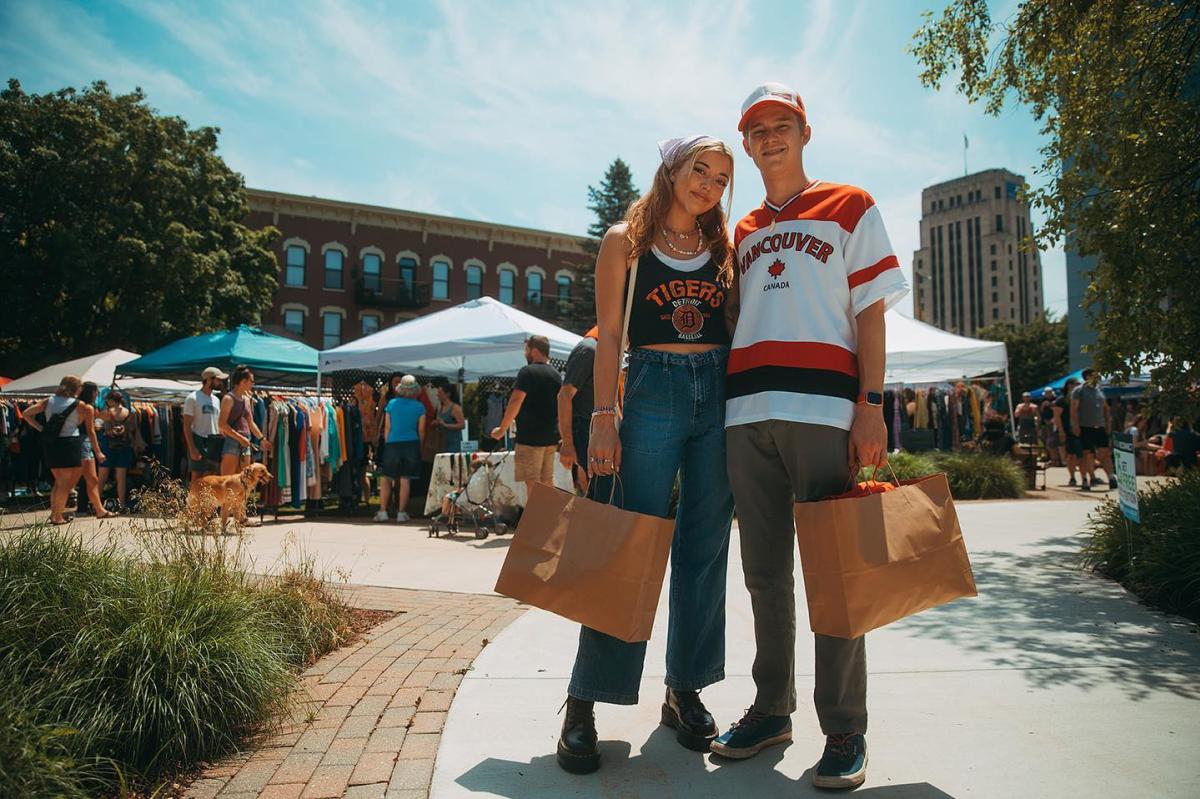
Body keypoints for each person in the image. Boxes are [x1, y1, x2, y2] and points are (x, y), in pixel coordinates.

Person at [712, 83, 909, 791]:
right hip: (747, 413)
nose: (769, 137)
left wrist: (872, 404)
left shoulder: (850, 203)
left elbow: (871, 315)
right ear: (745, 142)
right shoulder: (742, 229)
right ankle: (772, 708)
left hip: (826, 409)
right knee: (764, 573)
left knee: (834, 573)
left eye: (781, 125)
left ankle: (845, 727)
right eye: (756, 128)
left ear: (805, 130)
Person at [558, 134, 736, 775]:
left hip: (717, 395)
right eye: (699, 170)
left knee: (704, 548)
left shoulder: (723, 247)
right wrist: (603, 416)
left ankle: (682, 689)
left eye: (720, 178)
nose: (709, 186)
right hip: (653, 388)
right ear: (672, 169)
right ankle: (584, 700)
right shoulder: (624, 241)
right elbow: (608, 339)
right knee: (626, 543)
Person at [490, 335, 561, 501]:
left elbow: (516, 400)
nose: (525, 354)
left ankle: (535, 524)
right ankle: (547, 522)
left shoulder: (527, 372)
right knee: (547, 481)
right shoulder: (556, 375)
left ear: (534, 350)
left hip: (530, 438)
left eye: (526, 350)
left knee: (533, 483)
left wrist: (502, 429)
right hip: (550, 438)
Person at [21, 375, 86, 525]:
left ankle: (54, 514)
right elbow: (81, 421)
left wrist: (41, 428)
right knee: (65, 483)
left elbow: (26, 414)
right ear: (75, 388)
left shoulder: (49, 400)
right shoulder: (78, 404)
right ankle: (58, 517)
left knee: (59, 481)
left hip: (51, 443)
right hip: (70, 442)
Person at [376, 375, 426, 523]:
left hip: (392, 443)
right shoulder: (419, 407)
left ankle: (383, 511)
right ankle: (401, 512)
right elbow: (421, 430)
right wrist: (420, 446)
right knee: (406, 479)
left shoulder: (391, 404)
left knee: (386, 478)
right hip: (412, 443)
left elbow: (387, 427)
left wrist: (388, 442)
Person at [557, 326, 598, 493]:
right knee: (595, 488)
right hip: (585, 427)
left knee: (598, 489)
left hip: (594, 428)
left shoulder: (601, 350)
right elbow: (564, 396)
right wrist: (567, 443)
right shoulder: (589, 350)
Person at [74, 381, 117, 519]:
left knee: (81, 478)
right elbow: (90, 431)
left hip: (74, 442)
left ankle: (90, 508)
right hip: (84, 443)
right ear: (91, 392)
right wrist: (98, 451)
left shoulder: (76, 405)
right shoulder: (88, 407)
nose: (98, 393)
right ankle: (96, 509)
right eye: (96, 391)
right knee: (90, 478)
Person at [218, 364, 269, 476]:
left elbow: (250, 422)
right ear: (243, 381)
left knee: (243, 483)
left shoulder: (246, 399)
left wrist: (262, 439)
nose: (253, 384)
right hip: (232, 442)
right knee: (227, 482)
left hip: (246, 442)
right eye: (251, 381)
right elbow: (222, 424)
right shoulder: (228, 399)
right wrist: (240, 438)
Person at [1071, 368, 1117, 491]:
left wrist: (1108, 423)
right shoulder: (1079, 390)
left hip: (1099, 426)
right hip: (1085, 427)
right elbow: (1074, 409)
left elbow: (1106, 408)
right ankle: (1085, 479)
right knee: (1086, 454)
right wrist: (1075, 425)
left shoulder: (1099, 390)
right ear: (1087, 377)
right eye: (1093, 376)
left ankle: (1111, 478)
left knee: (1105, 453)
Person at [184, 367, 226, 481]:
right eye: (218, 379)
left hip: (214, 440)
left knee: (211, 477)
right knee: (197, 476)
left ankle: (207, 499)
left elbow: (217, 422)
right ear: (208, 380)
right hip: (199, 439)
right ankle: (193, 499)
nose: (220, 382)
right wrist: (192, 448)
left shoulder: (216, 400)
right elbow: (186, 425)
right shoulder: (192, 398)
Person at [97, 390, 134, 510]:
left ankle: (95, 504)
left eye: (108, 400)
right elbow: (132, 430)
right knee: (121, 477)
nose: (107, 402)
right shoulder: (129, 412)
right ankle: (122, 504)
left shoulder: (107, 412)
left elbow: (104, 429)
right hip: (124, 446)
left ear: (112, 400)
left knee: (102, 476)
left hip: (108, 445)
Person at [1053, 378, 1082, 486]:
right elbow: (1057, 417)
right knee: (1071, 455)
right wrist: (1061, 431)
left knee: (1085, 454)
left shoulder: (1081, 399)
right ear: (1069, 386)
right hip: (1068, 430)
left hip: (1081, 429)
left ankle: (1090, 476)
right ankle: (1072, 477)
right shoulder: (1061, 400)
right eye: (1077, 384)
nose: (1079, 386)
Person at [433, 380, 466, 453]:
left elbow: (462, 425)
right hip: (443, 443)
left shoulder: (455, 408)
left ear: (447, 394)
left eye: (440, 393)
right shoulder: (440, 407)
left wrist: (445, 425)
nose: (437, 395)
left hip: (454, 444)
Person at [1040, 388, 1061, 465]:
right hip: (1045, 423)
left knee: (1052, 441)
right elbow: (1041, 411)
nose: (1047, 395)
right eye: (1046, 393)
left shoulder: (1057, 400)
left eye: (1048, 393)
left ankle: (1056, 459)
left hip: (1053, 423)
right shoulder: (1043, 400)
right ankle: (1049, 457)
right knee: (1045, 440)